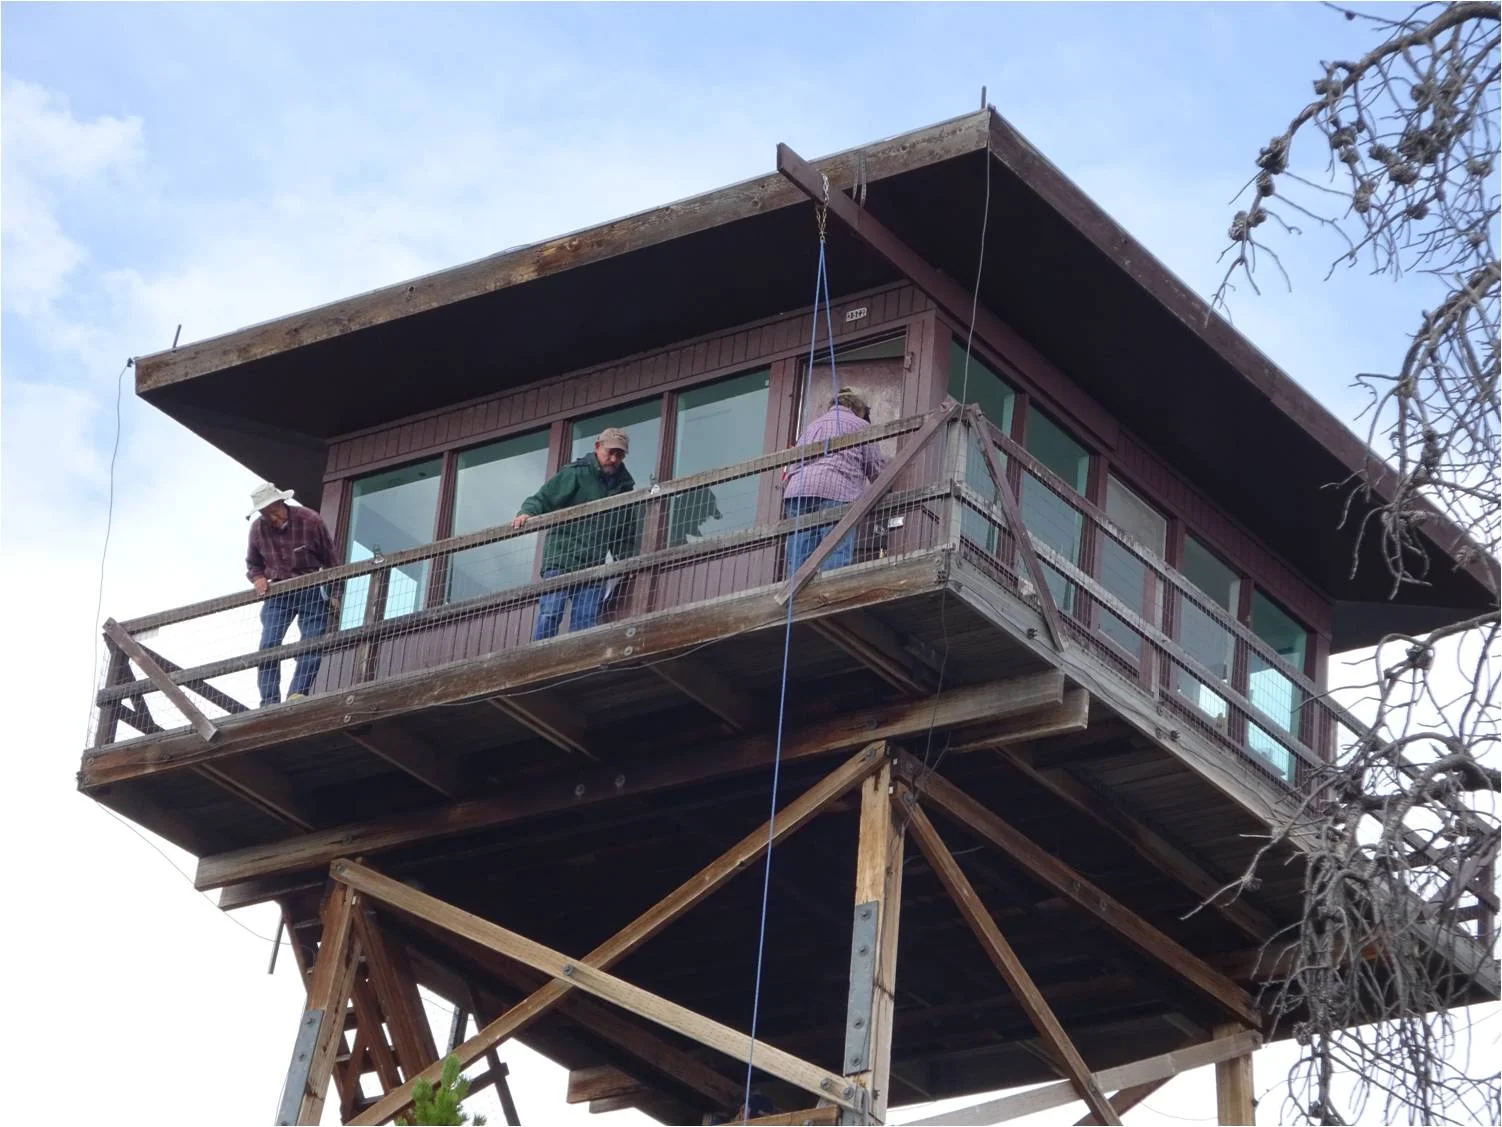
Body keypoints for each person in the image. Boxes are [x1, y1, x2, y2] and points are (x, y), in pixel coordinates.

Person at [511, 426, 642, 639]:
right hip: (562, 558)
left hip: (593, 563)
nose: (613, 459)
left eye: (619, 455)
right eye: (610, 452)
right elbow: (544, 498)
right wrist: (526, 512)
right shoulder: (576, 473)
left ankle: (577, 655)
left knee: (586, 620)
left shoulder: (624, 488)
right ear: (597, 447)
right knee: (551, 612)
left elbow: (624, 533)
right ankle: (540, 652)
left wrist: (627, 560)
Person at [245, 481, 338, 706]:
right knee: (269, 646)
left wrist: (335, 593)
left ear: (282, 503)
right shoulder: (257, 529)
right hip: (278, 592)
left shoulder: (310, 520)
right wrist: (258, 578)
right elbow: (253, 565)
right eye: (266, 515)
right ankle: (269, 701)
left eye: (275, 512)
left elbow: (331, 561)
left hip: (311, 588)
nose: (273, 518)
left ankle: (298, 693)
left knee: (311, 642)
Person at [782, 387, 886, 575]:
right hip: (837, 491)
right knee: (835, 552)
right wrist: (889, 488)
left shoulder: (812, 426)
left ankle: (796, 590)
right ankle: (830, 588)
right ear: (859, 408)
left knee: (800, 553)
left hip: (799, 491)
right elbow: (876, 468)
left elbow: (793, 465)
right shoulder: (861, 425)